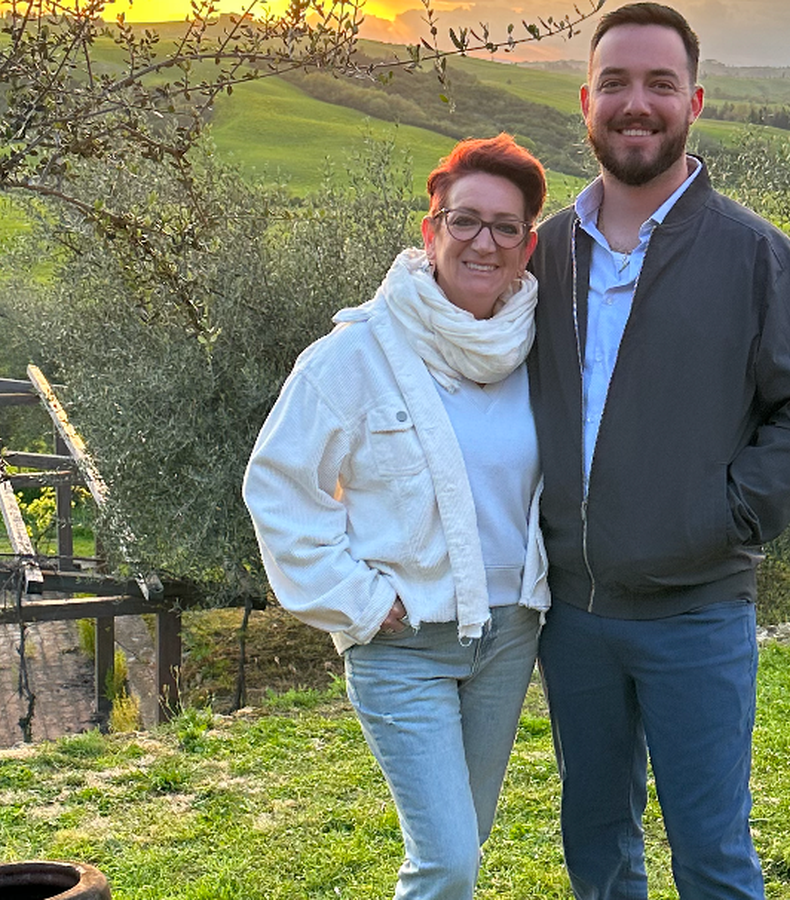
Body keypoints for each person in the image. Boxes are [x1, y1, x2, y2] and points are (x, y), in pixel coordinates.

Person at [528, 4, 790, 899]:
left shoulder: (759, 257)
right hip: (572, 616)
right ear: (586, 101)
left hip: (697, 613)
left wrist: (719, 518)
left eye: (660, 84)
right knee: (597, 849)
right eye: (616, 83)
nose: (637, 103)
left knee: (711, 859)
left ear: (694, 102)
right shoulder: (544, 253)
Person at [243, 134, 549, 900]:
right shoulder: (355, 354)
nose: (483, 242)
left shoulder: (538, 348)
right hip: (404, 643)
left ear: (527, 246)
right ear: (431, 229)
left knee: (466, 838)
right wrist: (358, 599)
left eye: (505, 227)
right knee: (448, 862)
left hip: (510, 634)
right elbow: (278, 486)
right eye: (464, 220)